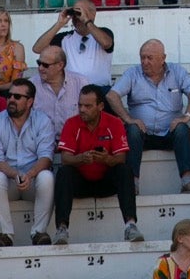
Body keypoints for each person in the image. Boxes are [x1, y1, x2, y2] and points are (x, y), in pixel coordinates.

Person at [107, 38, 190, 195]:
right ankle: (132, 184)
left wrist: (187, 116)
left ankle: (187, 182)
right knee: (132, 129)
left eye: (149, 58)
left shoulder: (177, 72)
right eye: (142, 57)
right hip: (142, 134)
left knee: (182, 128)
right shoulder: (133, 73)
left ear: (163, 58)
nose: (145, 62)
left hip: (169, 133)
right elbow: (112, 95)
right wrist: (128, 118)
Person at [53, 82, 141, 246]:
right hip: (81, 182)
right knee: (64, 172)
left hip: (106, 181)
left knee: (124, 170)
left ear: (100, 106)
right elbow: (65, 158)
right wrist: (81, 158)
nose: (82, 110)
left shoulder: (114, 123)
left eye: (88, 106)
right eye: (80, 105)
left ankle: (130, 225)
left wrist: (106, 159)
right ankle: (62, 228)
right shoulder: (72, 123)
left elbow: (121, 158)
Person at [0, 76, 55, 246]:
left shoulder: (43, 121)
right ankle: (4, 235)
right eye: (9, 95)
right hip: (9, 180)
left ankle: (39, 232)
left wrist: (29, 175)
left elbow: (46, 157)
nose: (11, 100)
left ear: (30, 101)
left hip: (33, 181)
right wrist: (16, 174)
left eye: (17, 97)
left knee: (47, 176)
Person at [32, 0, 115, 91]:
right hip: (73, 90)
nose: (77, 17)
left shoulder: (104, 32)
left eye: (79, 13)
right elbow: (37, 49)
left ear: (93, 14)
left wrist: (86, 21)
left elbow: (106, 43)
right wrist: (59, 24)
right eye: (74, 14)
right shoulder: (65, 38)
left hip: (100, 89)